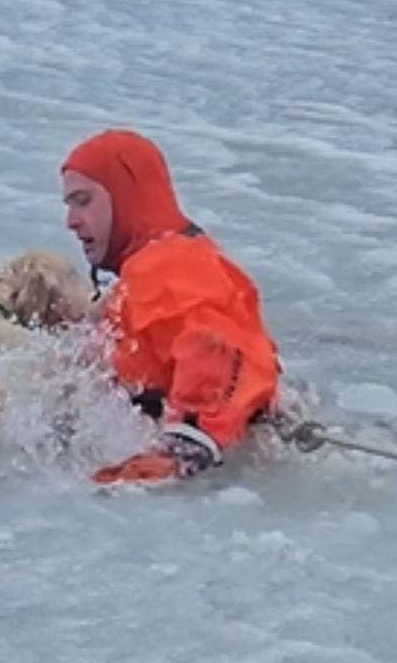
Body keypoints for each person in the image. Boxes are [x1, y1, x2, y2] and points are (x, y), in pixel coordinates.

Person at [60, 129, 281, 485]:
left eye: (83, 201)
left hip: (212, 464)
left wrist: (182, 451)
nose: (70, 221)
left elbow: (216, 347)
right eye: (69, 205)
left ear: (127, 197)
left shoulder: (166, 265)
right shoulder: (166, 259)